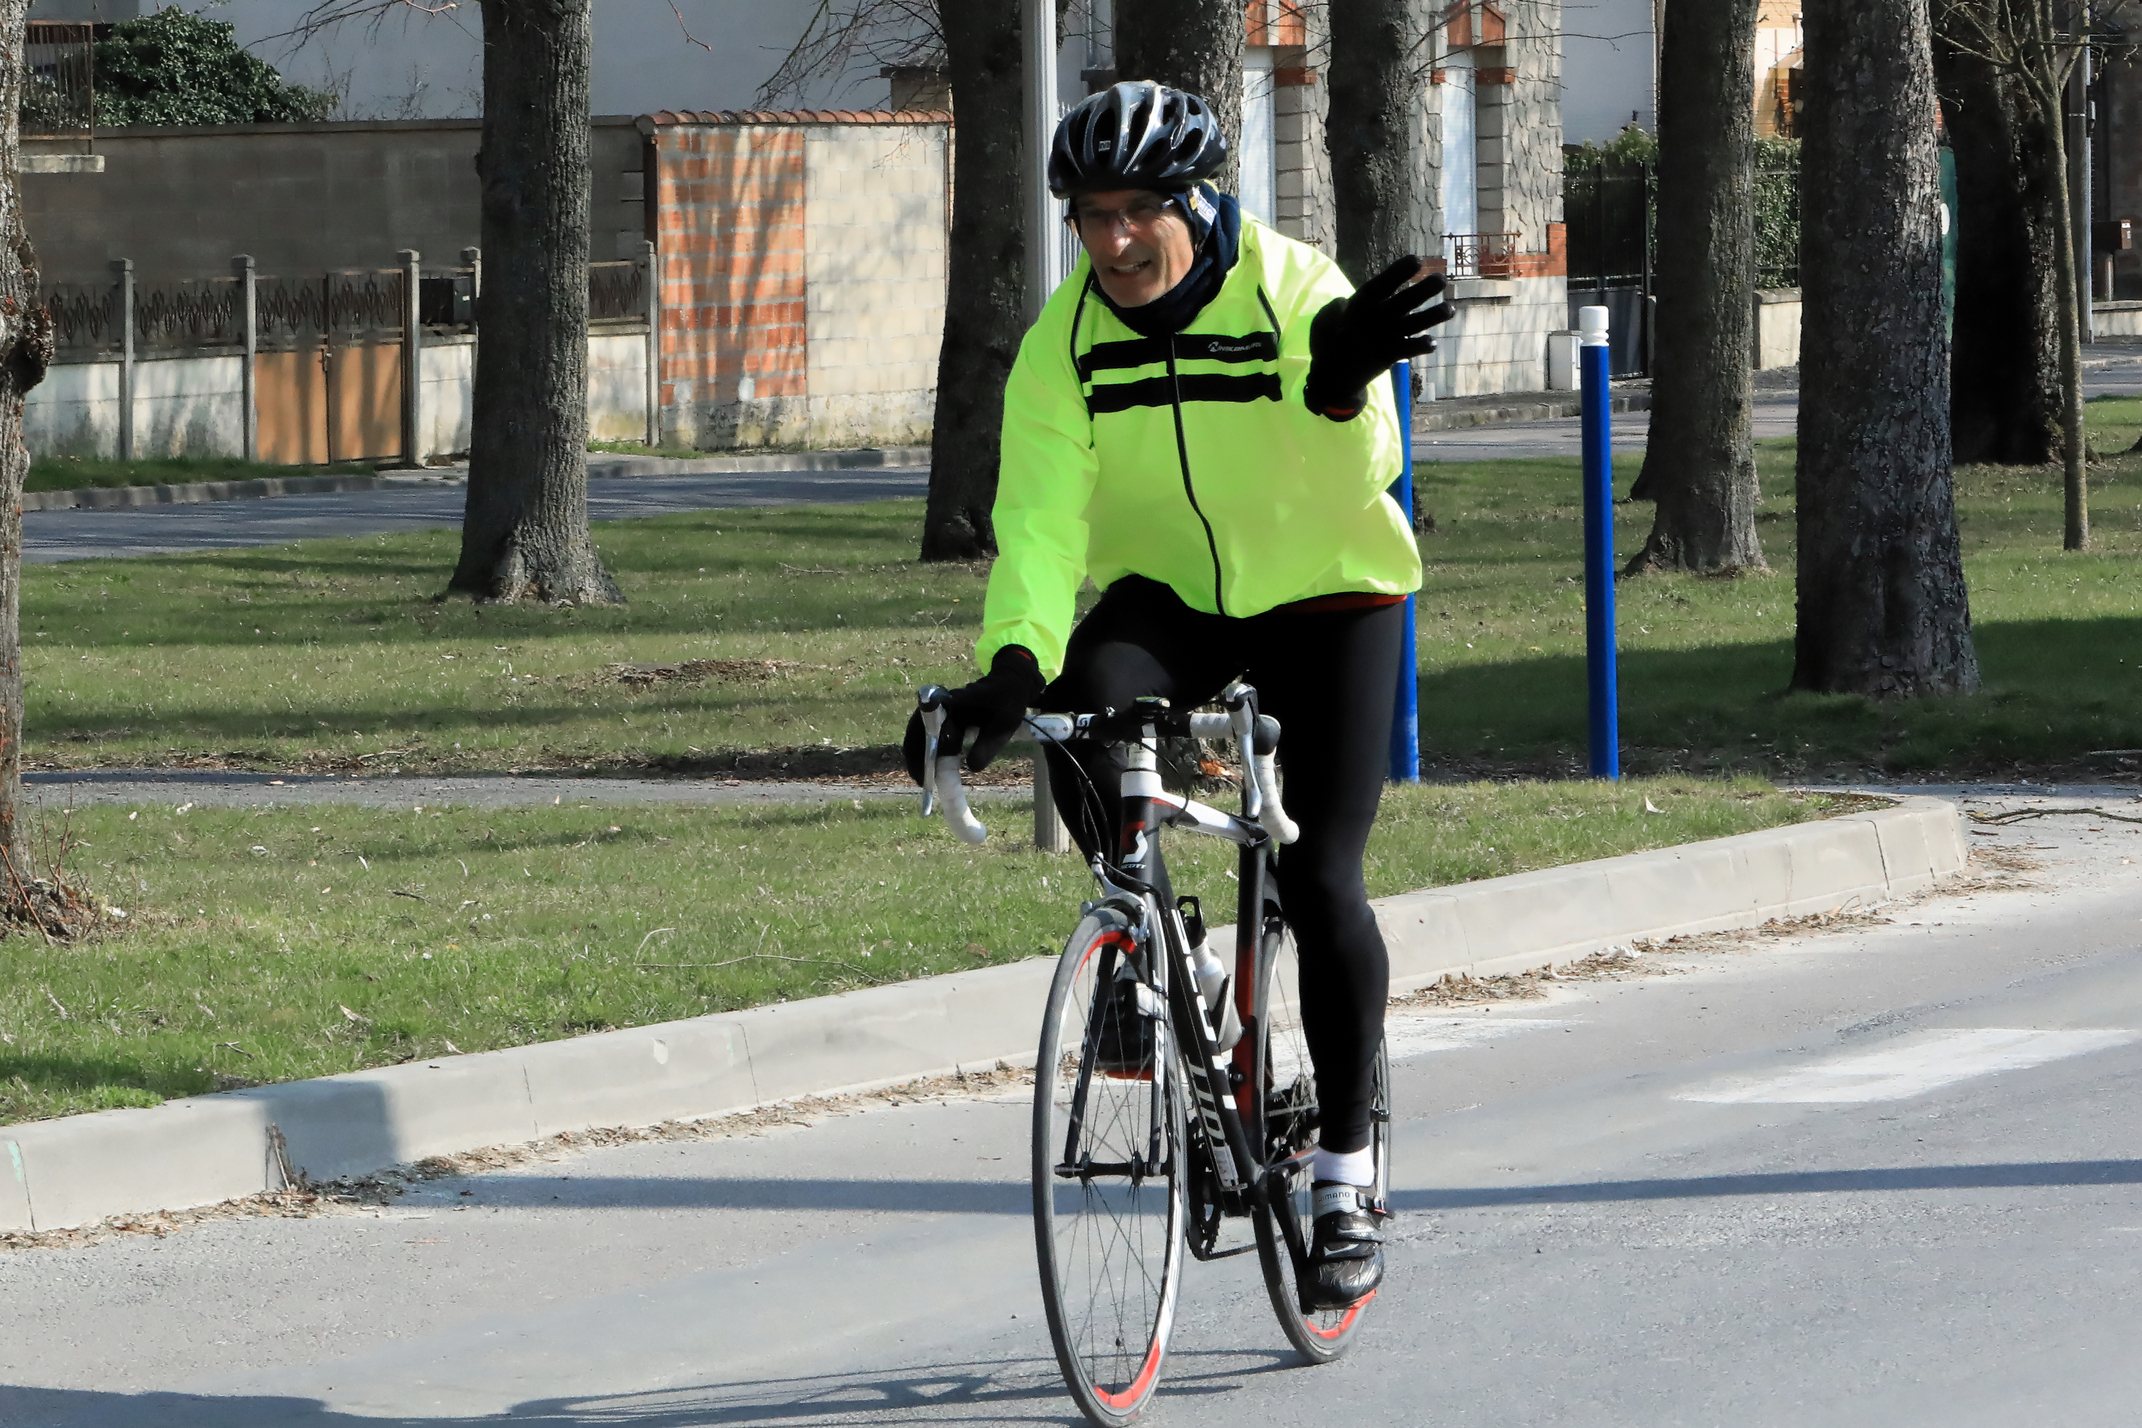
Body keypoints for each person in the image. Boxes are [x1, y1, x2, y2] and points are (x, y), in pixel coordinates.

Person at [904, 80, 1451, 1309]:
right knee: (1081, 708)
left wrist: (1337, 388)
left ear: (1195, 203)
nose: (1113, 241)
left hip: (1328, 588)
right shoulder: (1065, 345)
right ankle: (1157, 948)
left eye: (1137, 211)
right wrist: (1011, 666)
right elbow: (1041, 523)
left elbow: (1366, 471)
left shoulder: (1292, 287)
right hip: (1178, 595)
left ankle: (1345, 1177)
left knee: (1320, 878)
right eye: (1091, 216)